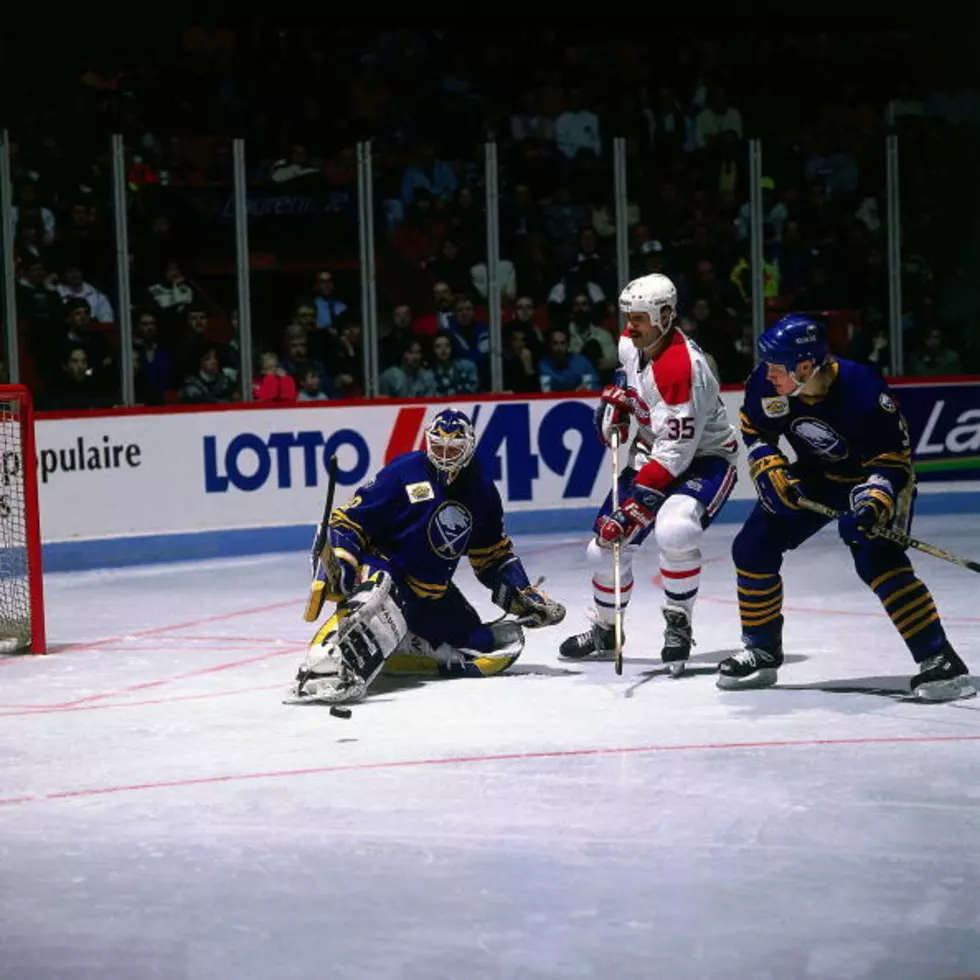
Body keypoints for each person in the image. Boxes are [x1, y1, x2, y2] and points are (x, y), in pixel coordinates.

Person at [717, 315, 974, 701]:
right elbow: (756, 431)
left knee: (878, 559)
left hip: (874, 478)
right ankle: (761, 649)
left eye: (776, 364)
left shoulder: (863, 389)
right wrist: (765, 461)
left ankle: (940, 660)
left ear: (805, 365)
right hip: (818, 475)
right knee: (754, 547)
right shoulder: (766, 383)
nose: (767, 373)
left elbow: (893, 462)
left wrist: (874, 501)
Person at [289, 409, 566, 703]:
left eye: (454, 448)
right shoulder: (403, 471)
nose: (445, 455)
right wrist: (343, 561)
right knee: (374, 600)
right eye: (438, 446)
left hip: (432, 593)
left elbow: (491, 556)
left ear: (469, 447)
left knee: (485, 645)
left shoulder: (481, 489)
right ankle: (324, 666)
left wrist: (522, 594)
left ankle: (403, 643)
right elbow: (348, 521)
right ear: (427, 442)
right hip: (387, 569)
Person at [559, 273, 738, 672]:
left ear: (666, 316)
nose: (629, 326)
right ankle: (607, 629)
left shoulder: (681, 367)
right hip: (654, 455)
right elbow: (630, 385)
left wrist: (634, 507)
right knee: (601, 550)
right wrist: (618, 412)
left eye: (639, 317)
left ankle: (678, 621)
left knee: (675, 529)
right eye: (628, 316)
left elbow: (676, 453)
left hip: (704, 460)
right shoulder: (631, 344)